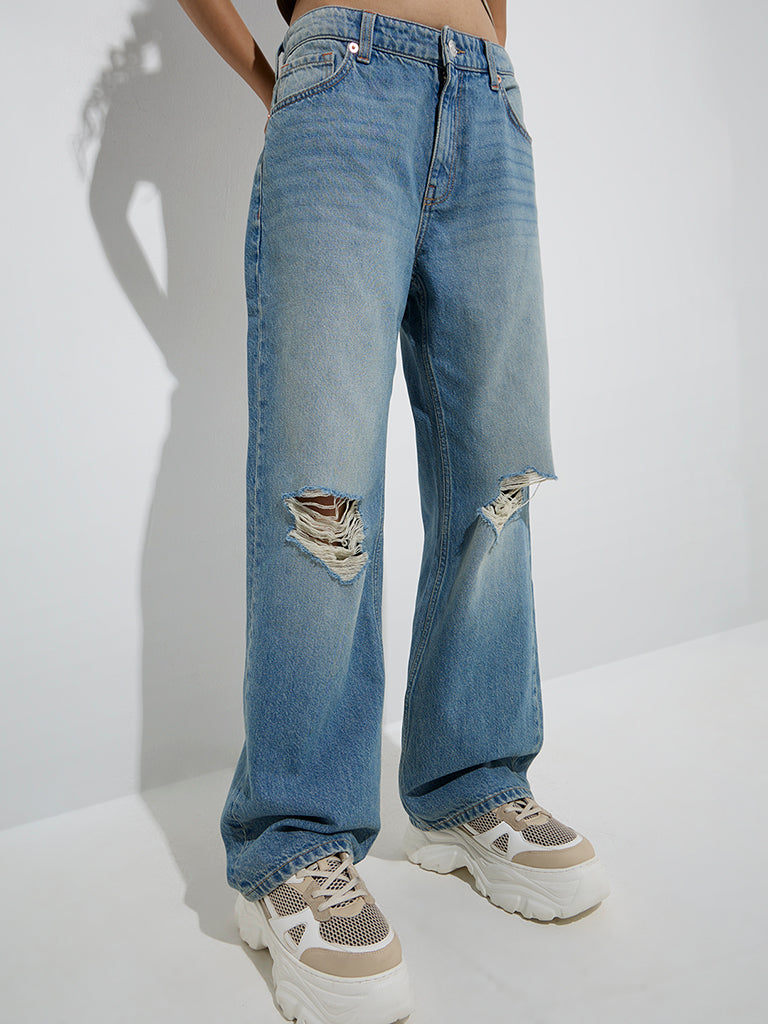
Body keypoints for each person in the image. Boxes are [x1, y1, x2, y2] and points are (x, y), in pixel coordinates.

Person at [176, 2, 610, 1022]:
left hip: (490, 101)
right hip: (342, 82)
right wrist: (281, 82)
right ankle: (292, 841)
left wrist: (485, 45)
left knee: (497, 470)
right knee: (322, 487)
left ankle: (471, 781)